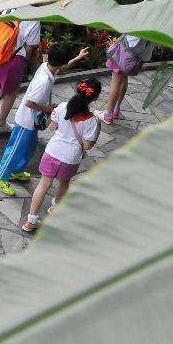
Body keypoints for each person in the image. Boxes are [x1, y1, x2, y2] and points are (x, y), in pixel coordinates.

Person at [0, 44, 90, 197]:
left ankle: (15, 171)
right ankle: (0, 177)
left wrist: (78, 57)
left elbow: (62, 68)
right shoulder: (44, 81)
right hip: (26, 121)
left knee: (29, 148)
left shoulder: (47, 65)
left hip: (33, 121)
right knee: (15, 150)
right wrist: (48, 109)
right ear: (61, 62)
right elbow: (29, 102)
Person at [23, 77, 102, 232]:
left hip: (52, 151)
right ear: (95, 97)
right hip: (70, 158)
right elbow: (88, 145)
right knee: (64, 183)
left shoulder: (63, 106)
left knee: (43, 185)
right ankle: (55, 210)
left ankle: (30, 221)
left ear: (78, 89)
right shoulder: (92, 120)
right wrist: (97, 128)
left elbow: (52, 127)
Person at [101, 35, 155, 124]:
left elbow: (131, 40)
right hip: (136, 57)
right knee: (124, 77)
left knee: (116, 81)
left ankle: (108, 115)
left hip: (125, 52)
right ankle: (116, 108)